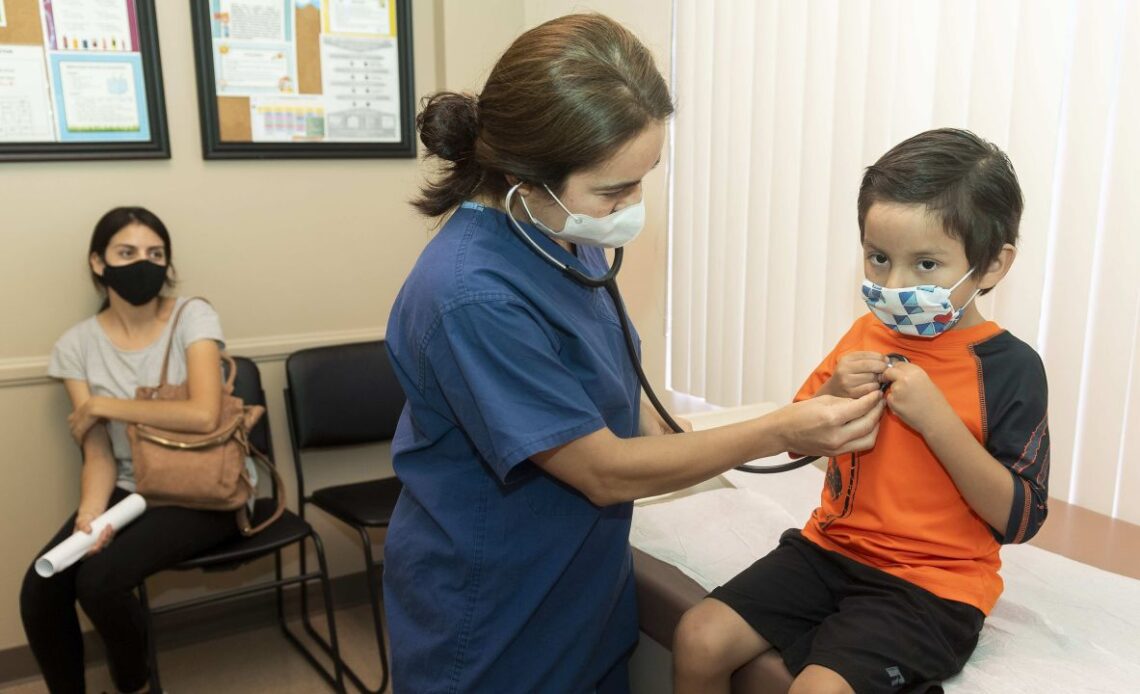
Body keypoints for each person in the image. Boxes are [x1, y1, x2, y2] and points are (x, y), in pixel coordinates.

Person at [383, 13, 885, 694]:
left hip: (578, 602)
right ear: (525, 176)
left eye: (645, 177)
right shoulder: (471, 295)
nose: (633, 206)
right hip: (492, 623)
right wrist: (781, 428)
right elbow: (604, 470)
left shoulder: (562, 235)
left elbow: (647, 428)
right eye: (616, 189)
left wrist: (802, 415)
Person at [672, 128, 1051, 694]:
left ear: (993, 266)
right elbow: (798, 436)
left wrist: (938, 423)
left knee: (819, 690)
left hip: (931, 586)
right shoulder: (866, 334)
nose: (894, 285)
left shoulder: (1010, 368)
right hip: (829, 548)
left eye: (926, 265)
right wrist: (832, 399)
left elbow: (1021, 518)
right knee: (698, 636)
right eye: (878, 259)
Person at [20, 207, 241, 694]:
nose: (144, 263)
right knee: (41, 588)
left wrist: (103, 403)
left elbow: (203, 414)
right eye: (127, 252)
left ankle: (133, 685)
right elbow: (97, 452)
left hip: (205, 488)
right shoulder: (75, 346)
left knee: (99, 582)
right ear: (99, 263)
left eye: (155, 253)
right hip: (127, 488)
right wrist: (90, 518)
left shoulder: (193, 316)